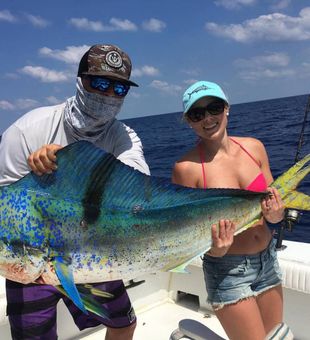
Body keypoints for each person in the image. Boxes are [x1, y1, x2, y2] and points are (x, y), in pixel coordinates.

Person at [0, 44, 150, 340]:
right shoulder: (25, 132)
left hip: (91, 252)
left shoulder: (122, 136)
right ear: (80, 81)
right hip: (30, 258)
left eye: (119, 89)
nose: (108, 95)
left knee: (123, 323)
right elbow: (4, 204)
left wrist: (71, 166)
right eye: (101, 83)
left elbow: (138, 189)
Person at [172, 81, 288, 340]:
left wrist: (276, 216)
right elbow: (187, 237)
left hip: (268, 260)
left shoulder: (254, 148)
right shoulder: (186, 168)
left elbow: (273, 206)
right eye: (197, 114)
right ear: (188, 121)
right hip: (227, 270)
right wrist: (216, 249)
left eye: (214, 108)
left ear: (227, 108)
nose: (208, 118)